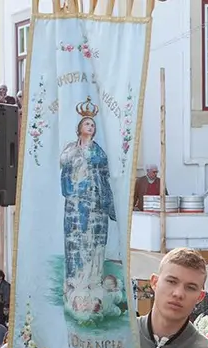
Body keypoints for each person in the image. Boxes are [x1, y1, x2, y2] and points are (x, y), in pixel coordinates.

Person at [60, 97, 115, 318]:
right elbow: (64, 165)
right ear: (79, 128)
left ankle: (93, 279)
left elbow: (104, 172)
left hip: (96, 204)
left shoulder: (99, 152)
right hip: (76, 205)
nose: (90, 127)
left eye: (93, 125)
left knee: (95, 242)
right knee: (77, 241)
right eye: (87, 124)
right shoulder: (71, 149)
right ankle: (76, 281)